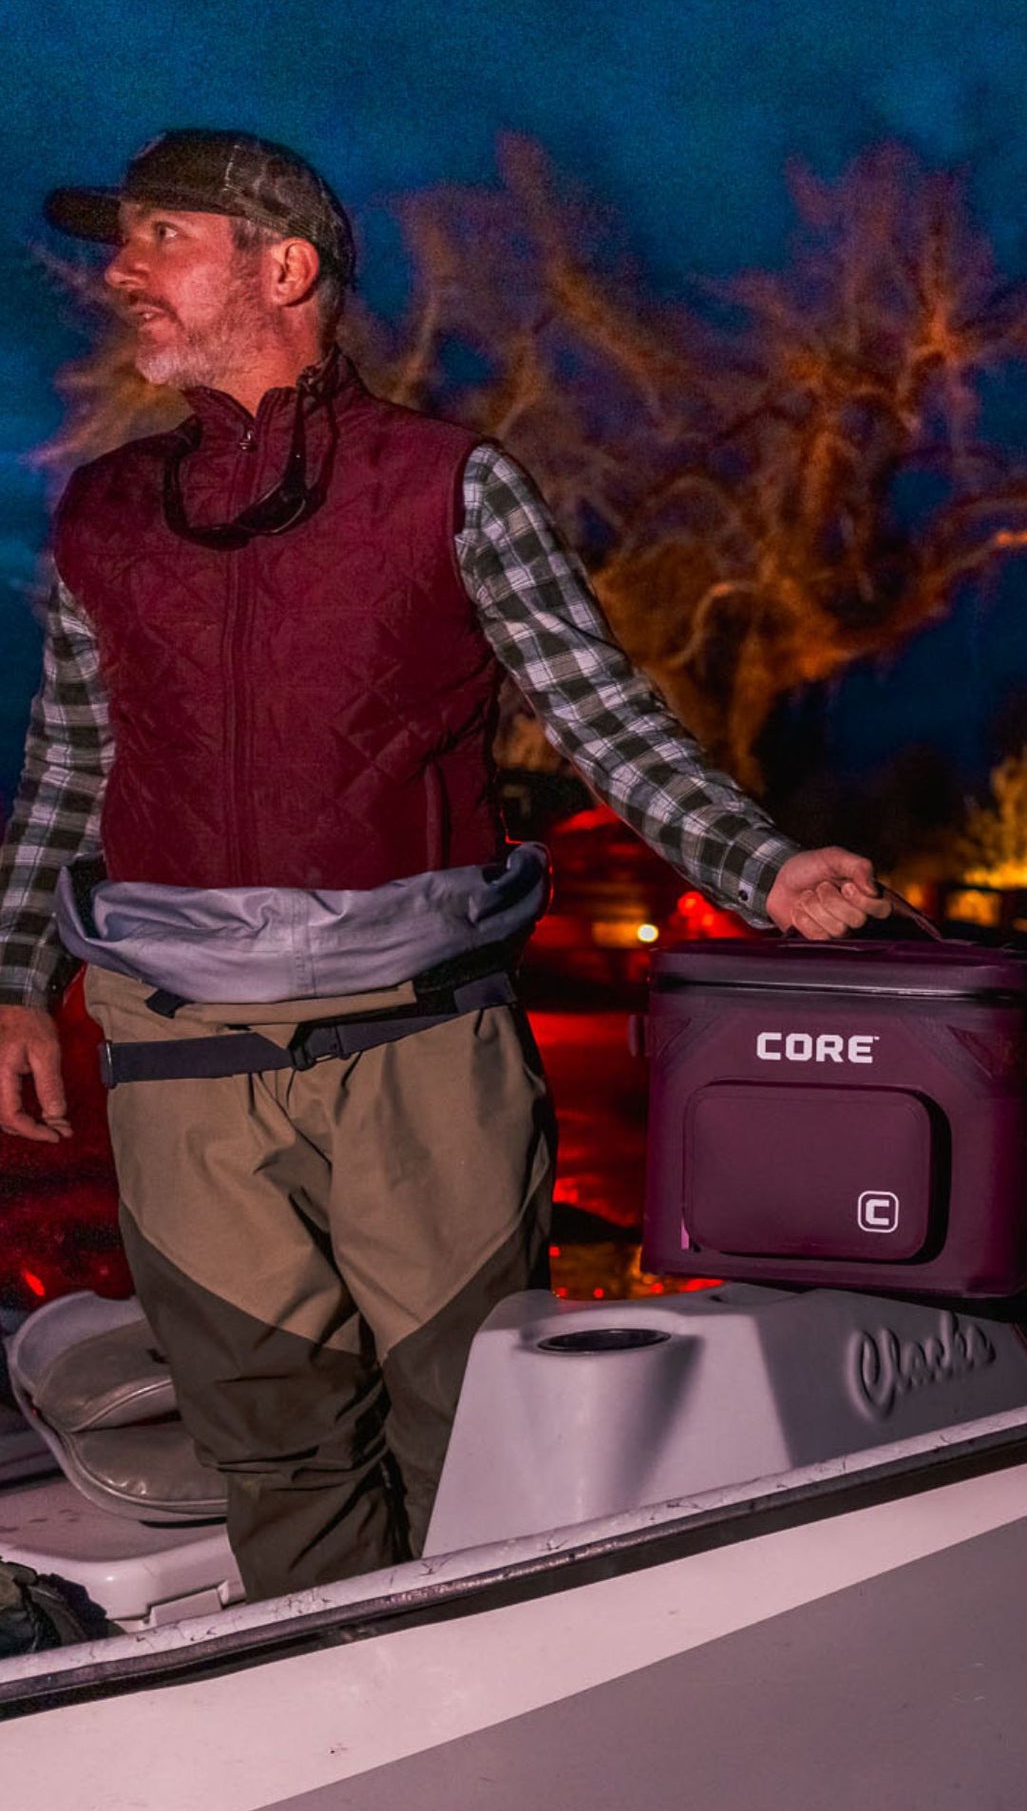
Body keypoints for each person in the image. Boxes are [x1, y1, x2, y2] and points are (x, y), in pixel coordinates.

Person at [0, 129, 891, 1599]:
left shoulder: (451, 484)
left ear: (281, 269)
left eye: (160, 239)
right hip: (178, 1061)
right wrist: (17, 979)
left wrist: (764, 868)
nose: (118, 273)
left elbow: (605, 717)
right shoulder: (107, 513)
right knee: (273, 1449)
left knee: (469, 1430)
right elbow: (66, 767)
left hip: (421, 1046)